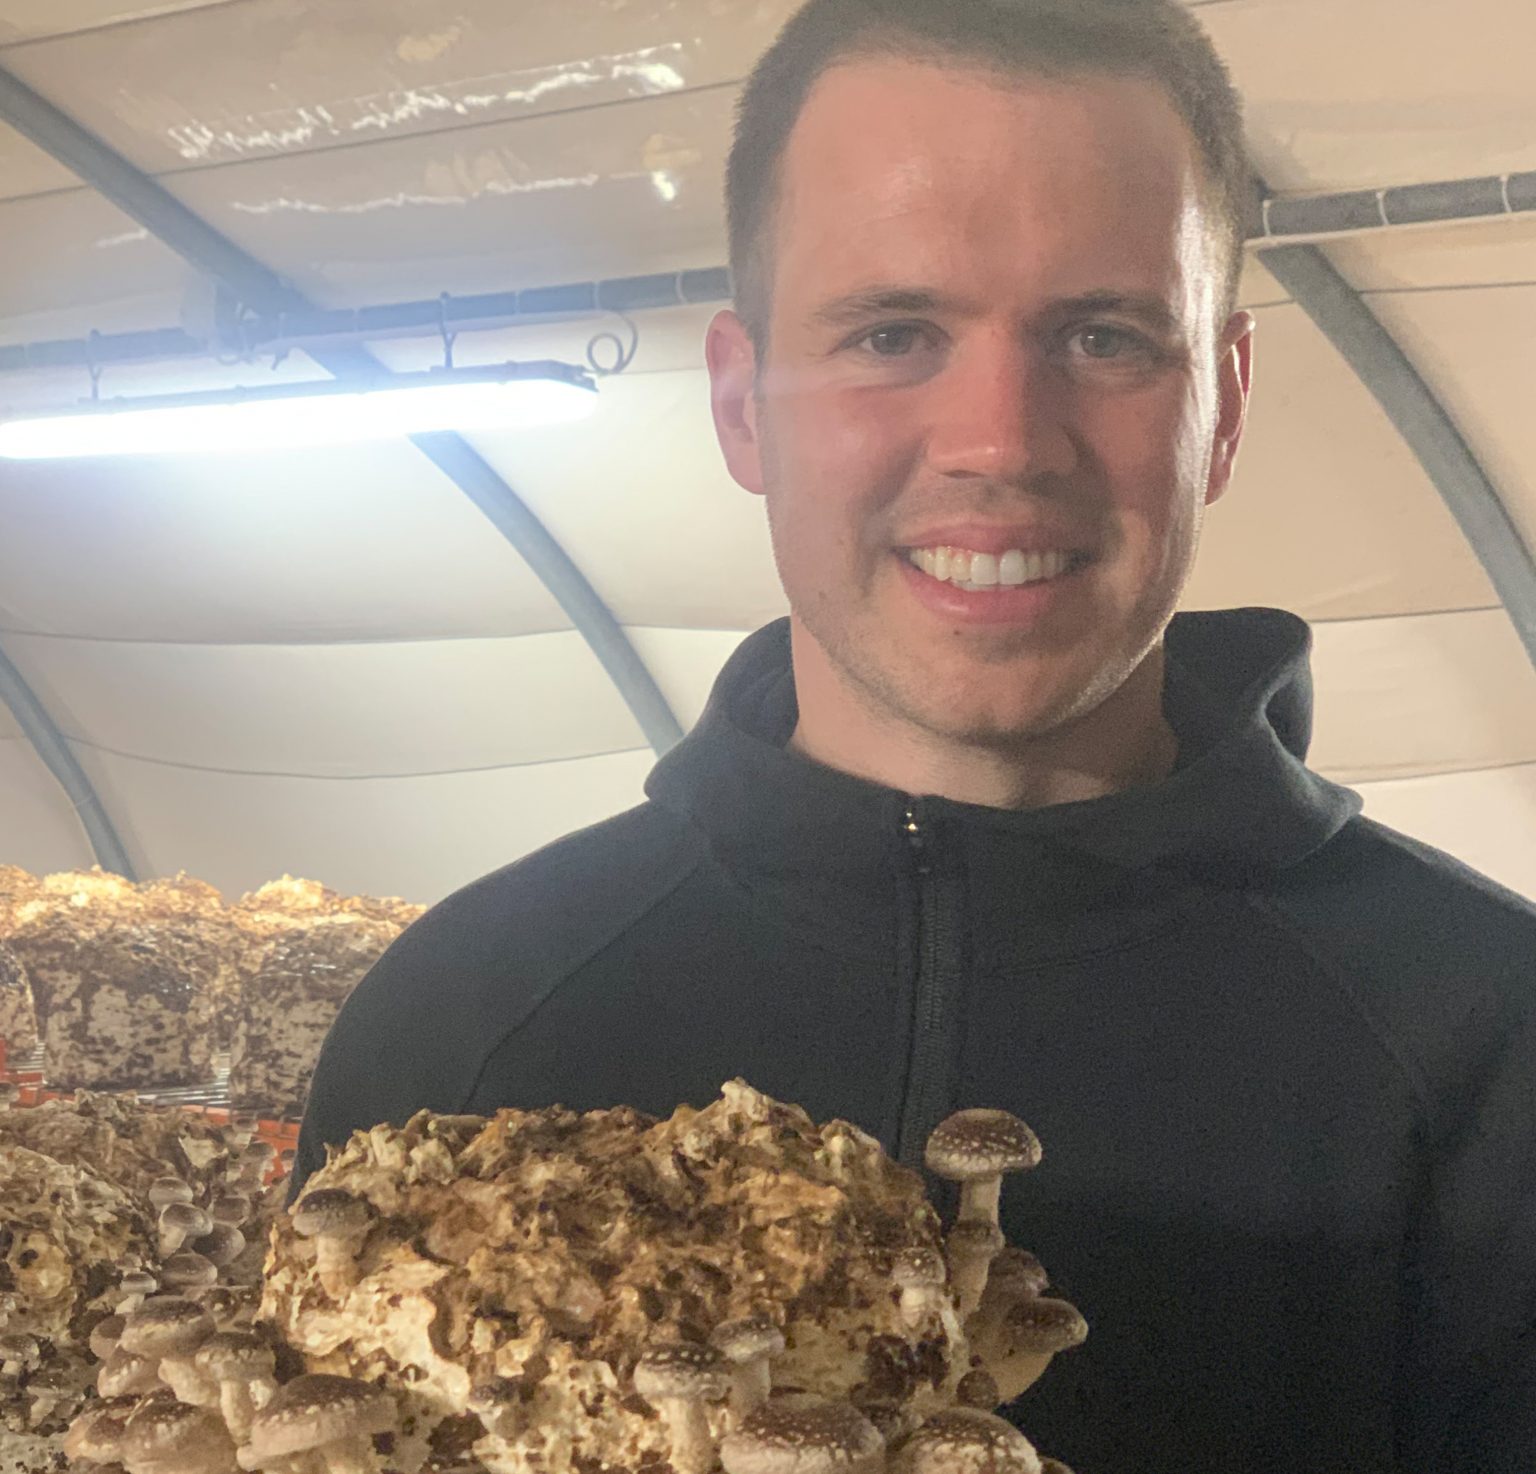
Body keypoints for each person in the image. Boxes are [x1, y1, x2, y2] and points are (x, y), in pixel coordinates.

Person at [294, 1, 1536, 1468]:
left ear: (1224, 404)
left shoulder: (1485, 1054)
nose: (1003, 438)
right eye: (892, 332)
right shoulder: (462, 1026)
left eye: (1106, 334)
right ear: (744, 404)